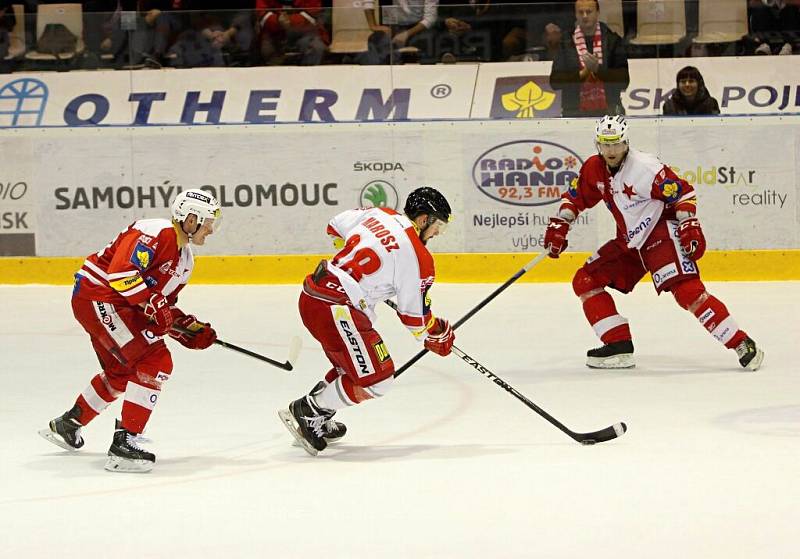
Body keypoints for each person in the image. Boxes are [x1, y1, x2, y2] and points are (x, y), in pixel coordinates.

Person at [543, 115, 764, 372]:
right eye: (605, 144)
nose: (611, 150)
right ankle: (618, 344)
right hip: (631, 242)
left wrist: (688, 223)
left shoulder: (645, 168)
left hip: (660, 232)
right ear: (598, 144)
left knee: (688, 292)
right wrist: (560, 224)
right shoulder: (594, 168)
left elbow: (682, 193)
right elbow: (575, 197)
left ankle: (741, 343)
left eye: (616, 143)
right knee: (585, 280)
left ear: (626, 142)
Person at [39, 189, 222, 473]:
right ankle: (124, 444)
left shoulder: (185, 261)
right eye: (208, 221)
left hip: (112, 305)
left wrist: (186, 327)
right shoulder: (156, 231)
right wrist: (154, 304)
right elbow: (121, 274)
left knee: (122, 373)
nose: (211, 229)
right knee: (154, 360)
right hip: (98, 296)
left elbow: (160, 308)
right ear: (190, 218)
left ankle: (68, 424)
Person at [279, 187, 456, 456]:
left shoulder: (380, 213)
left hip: (313, 294)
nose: (437, 233)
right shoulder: (419, 258)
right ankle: (308, 410)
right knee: (378, 379)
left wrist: (356, 273)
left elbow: (334, 226)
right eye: (438, 225)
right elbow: (415, 319)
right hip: (337, 308)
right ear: (423, 220)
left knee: (353, 368)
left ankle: (319, 413)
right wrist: (435, 336)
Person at [549, 0, 629, 117]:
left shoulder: (612, 40)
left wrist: (598, 70)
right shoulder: (566, 42)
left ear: (598, 13)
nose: (585, 16)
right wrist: (582, 74)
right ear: (575, 14)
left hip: (610, 111)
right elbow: (555, 82)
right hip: (574, 112)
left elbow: (624, 81)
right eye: (581, 12)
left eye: (589, 12)